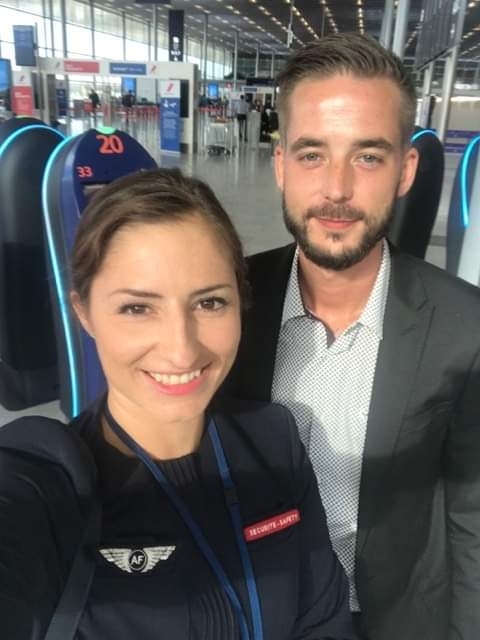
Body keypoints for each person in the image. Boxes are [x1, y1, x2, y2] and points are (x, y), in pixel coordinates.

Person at [0, 168, 354, 640]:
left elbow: (324, 622)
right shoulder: (50, 482)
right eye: (137, 308)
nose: (182, 350)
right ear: (84, 313)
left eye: (209, 303)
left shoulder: (274, 441)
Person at [223, 33, 480, 640]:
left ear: (405, 171)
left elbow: (472, 515)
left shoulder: (463, 327)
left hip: (392, 618)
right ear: (281, 165)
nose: (336, 189)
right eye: (312, 154)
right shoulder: (228, 305)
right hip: (256, 609)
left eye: (367, 157)